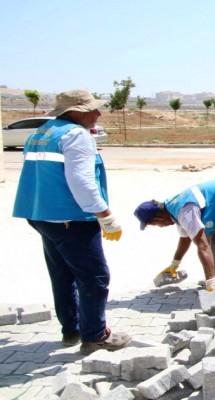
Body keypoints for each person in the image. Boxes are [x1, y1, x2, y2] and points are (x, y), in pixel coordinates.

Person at [12, 89, 131, 355]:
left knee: (63, 275)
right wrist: (105, 215)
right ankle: (95, 336)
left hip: (41, 215)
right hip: (71, 219)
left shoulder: (42, 133)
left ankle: (72, 329)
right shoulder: (76, 135)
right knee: (94, 277)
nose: (98, 114)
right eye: (92, 109)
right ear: (74, 111)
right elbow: (82, 181)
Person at [134, 179, 215, 290]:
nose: (160, 227)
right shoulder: (171, 208)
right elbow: (186, 237)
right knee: (207, 236)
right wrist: (175, 263)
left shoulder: (184, 211)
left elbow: (203, 246)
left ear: (158, 219)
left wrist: (210, 280)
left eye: (155, 225)